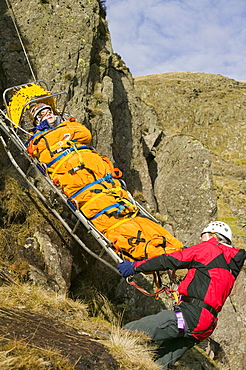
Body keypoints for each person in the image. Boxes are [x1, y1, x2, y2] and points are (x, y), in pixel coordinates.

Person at [25, 103, 183, 261]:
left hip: (100, 174)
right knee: (110, 217)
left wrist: (61, 134)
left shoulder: (69, 125)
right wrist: (62, 135)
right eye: (42, 114)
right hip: (78, 180)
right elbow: (45, 154)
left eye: (49, 111)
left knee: (128, 209)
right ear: (38, 122)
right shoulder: (38, 139)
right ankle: (155, 255)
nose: (48, 115)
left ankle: (172, 247)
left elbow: (85, 135)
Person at [117, 221, 246, 369]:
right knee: (157, 363)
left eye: (203, 236)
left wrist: (134, 267)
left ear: (212, 236)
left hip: (191, 316)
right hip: (205, 326)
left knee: (129, 332)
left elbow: (168, 260)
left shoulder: (208, 248)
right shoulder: (232, 264)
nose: (201, 239)